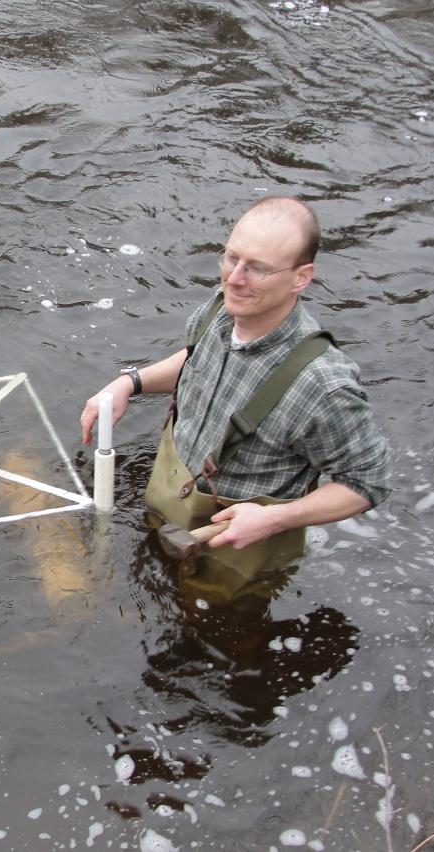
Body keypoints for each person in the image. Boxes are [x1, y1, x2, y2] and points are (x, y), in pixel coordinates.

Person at [80, 196, 390, 608]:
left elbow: (368, 483)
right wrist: (128, 384)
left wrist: (274, 519)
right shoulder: (221, 310)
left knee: (217, 640)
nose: (235, 278)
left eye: (257, 267)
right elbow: (195, 363)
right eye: (231, 258)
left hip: (239, 554)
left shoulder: (324, 385)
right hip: (170, 505)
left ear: (302, 277)